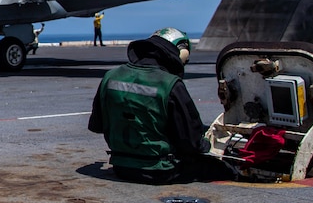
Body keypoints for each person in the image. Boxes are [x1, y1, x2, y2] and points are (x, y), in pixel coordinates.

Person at [87, 27, 230, 184]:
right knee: (227, 169)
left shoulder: (110, 77)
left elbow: (96, 125)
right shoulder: (169, 84)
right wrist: (208, 144)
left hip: (121, 167)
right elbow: (191, 141)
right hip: (160, 171)